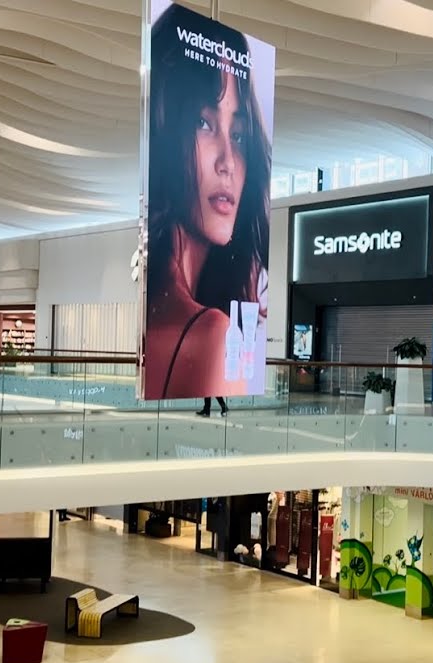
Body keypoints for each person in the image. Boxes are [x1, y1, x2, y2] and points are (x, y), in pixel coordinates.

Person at [143, 3, 271, 400]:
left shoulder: (164, 314)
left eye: (238, 135)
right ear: (167, 126)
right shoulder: (213, 335)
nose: (228, 163)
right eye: (203, 123)